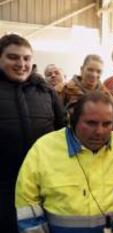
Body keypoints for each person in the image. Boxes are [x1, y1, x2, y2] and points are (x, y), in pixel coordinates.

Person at [15, 92, 113, 233]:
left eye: (107, 124)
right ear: (73, 121)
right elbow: (27, 205)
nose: (99, 131)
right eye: (91, 123)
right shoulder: (43, 150)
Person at [0, 34, 65, 232]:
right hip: (4, 186)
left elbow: (62, 132)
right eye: (13, 57)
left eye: (27, 58)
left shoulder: (46, 91)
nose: (21, 64)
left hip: (43, 184)